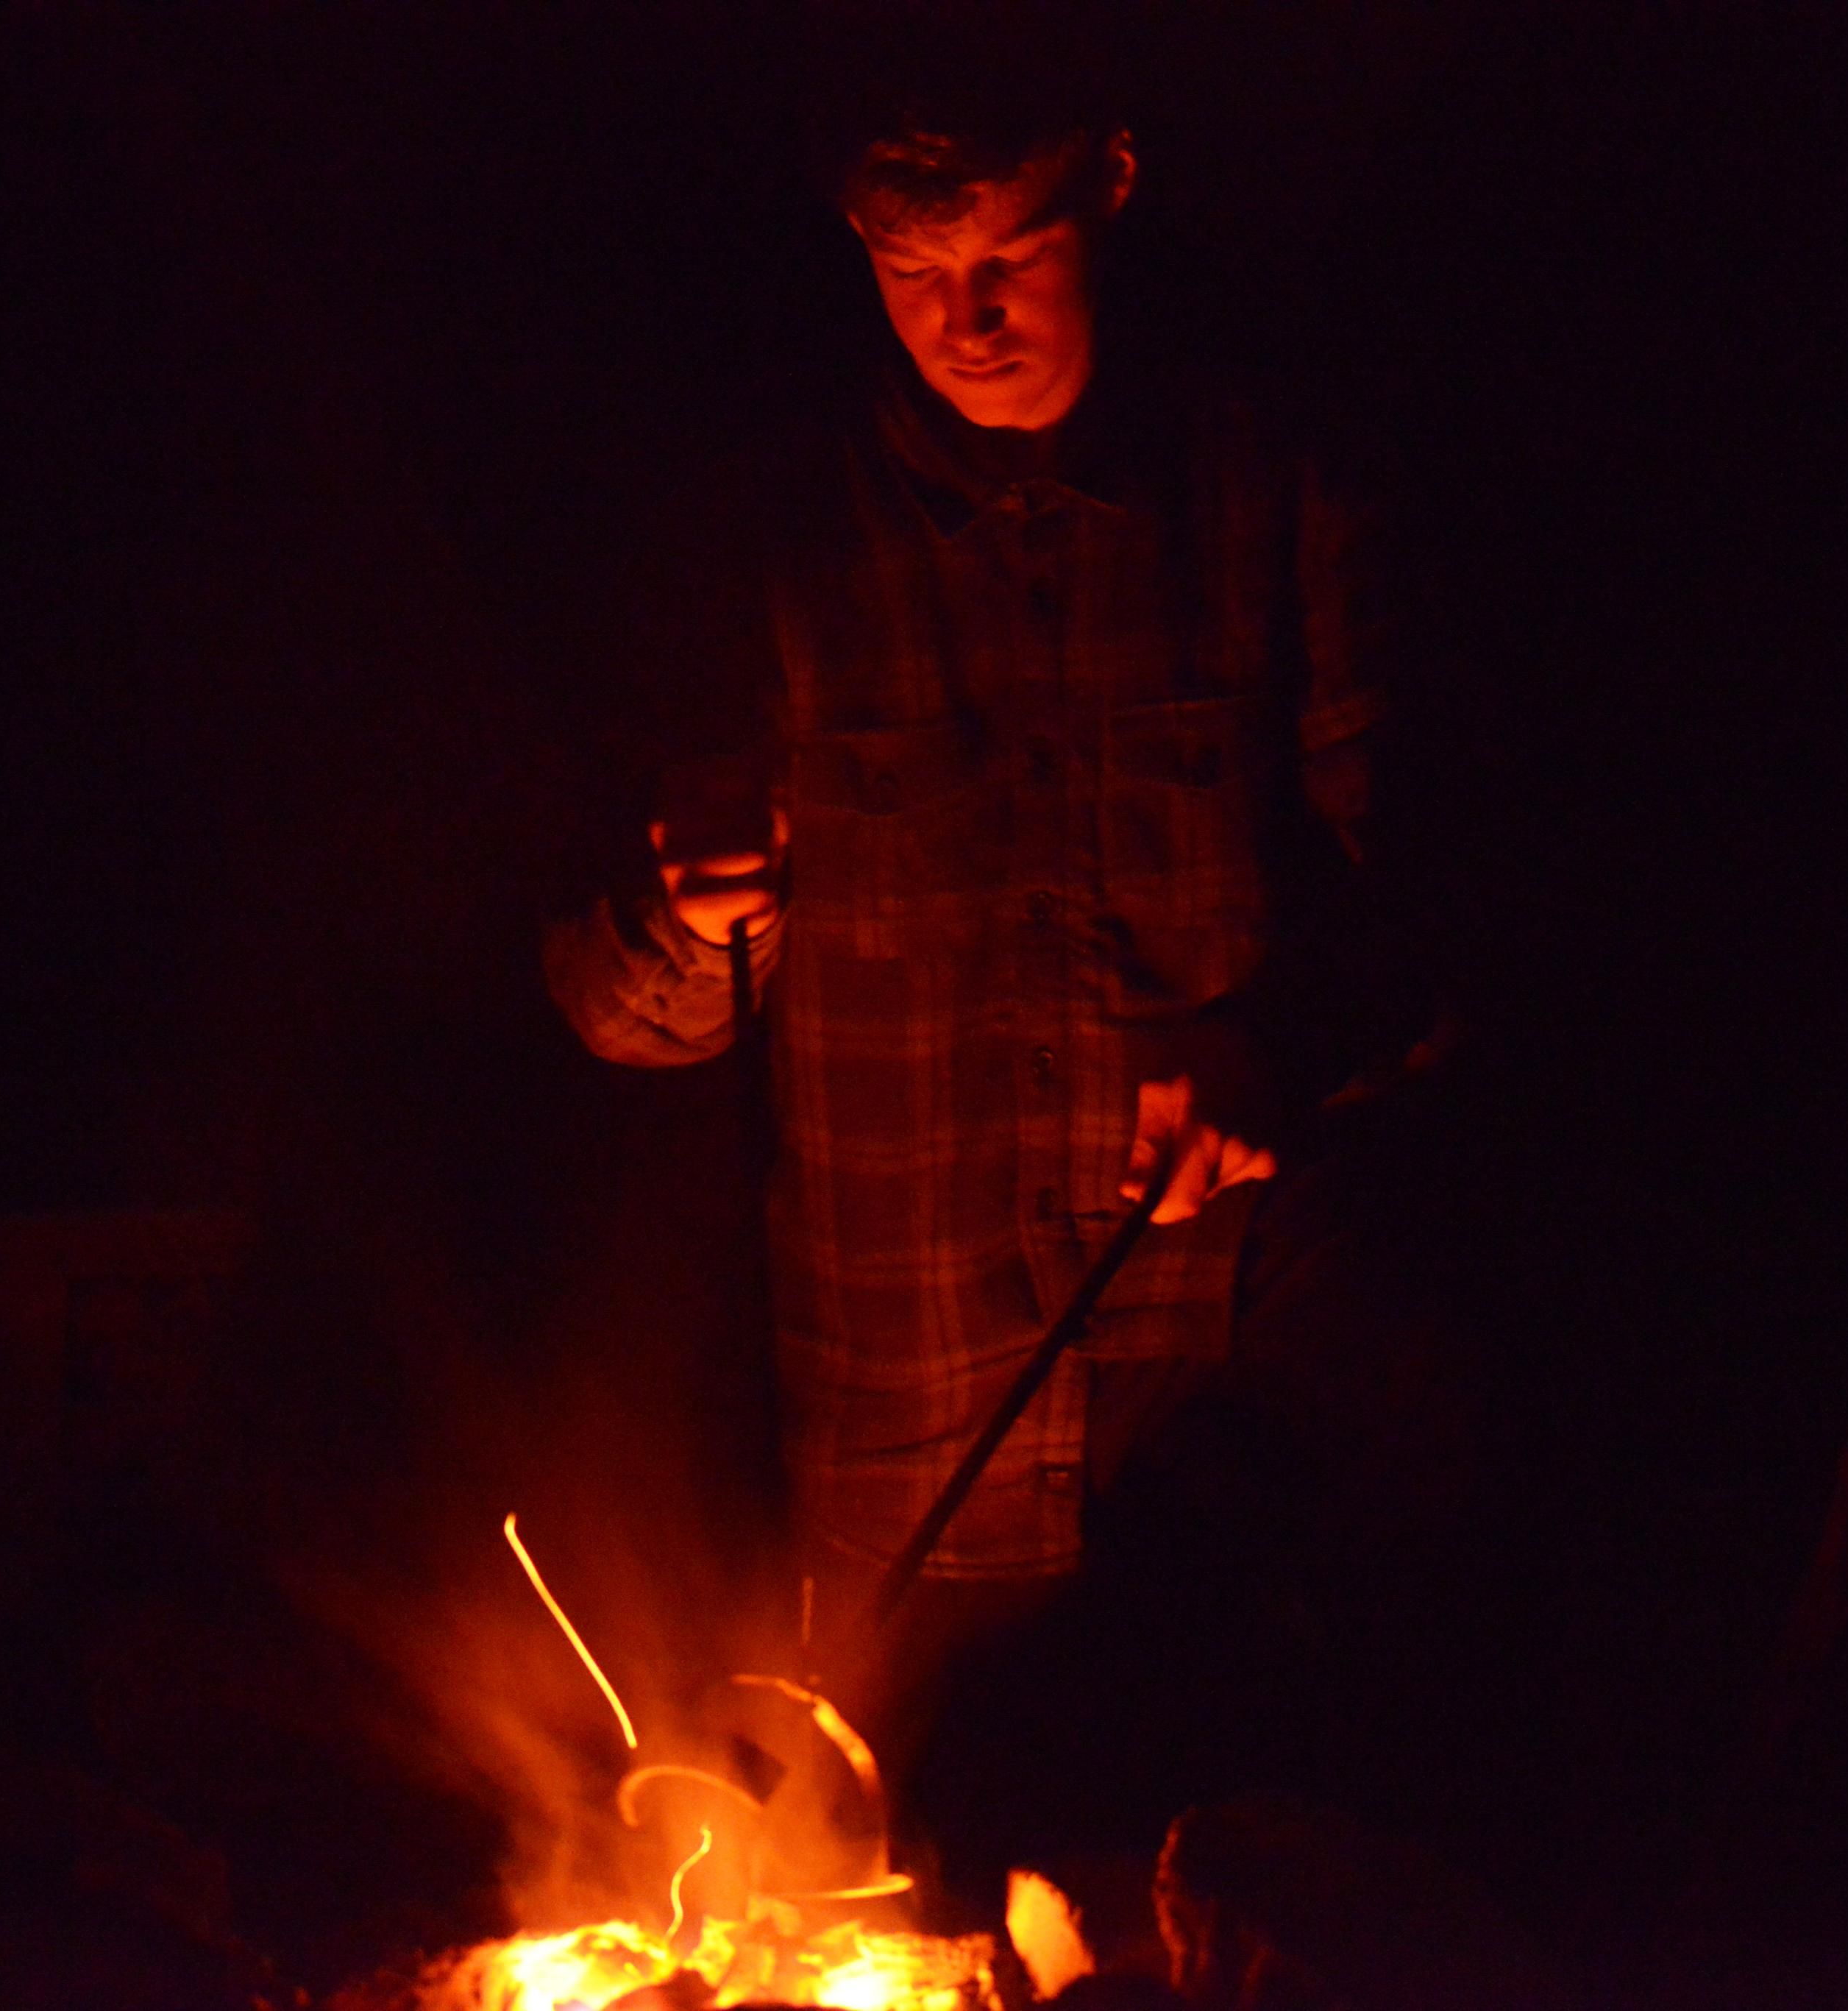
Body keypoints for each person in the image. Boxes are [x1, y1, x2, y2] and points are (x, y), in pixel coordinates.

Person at [543, 35, 1431, 1726]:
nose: (968, 320)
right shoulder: (765, 543)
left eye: (1011, 254)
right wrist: (687, 922)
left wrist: (1273, 1038)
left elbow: (1433, 896)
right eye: (913, 269)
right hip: (912, 1457)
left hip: (1231, 1426)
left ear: (1111, 180)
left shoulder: (1275, 485)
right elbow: (604, 1005)